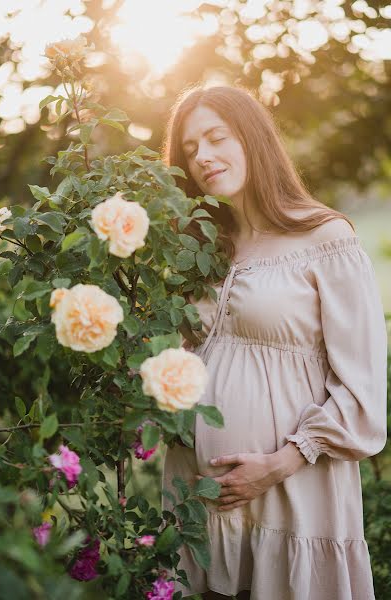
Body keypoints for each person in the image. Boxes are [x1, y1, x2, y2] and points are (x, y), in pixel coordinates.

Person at [161, 85, 388, 600]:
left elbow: (363, 389)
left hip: (293, 490)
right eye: (191, 148)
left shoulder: (325, 238)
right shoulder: (202, 251)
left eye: (217, 137)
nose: (203, 156)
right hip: (205, 506)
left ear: (254, 139)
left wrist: (277, 465)